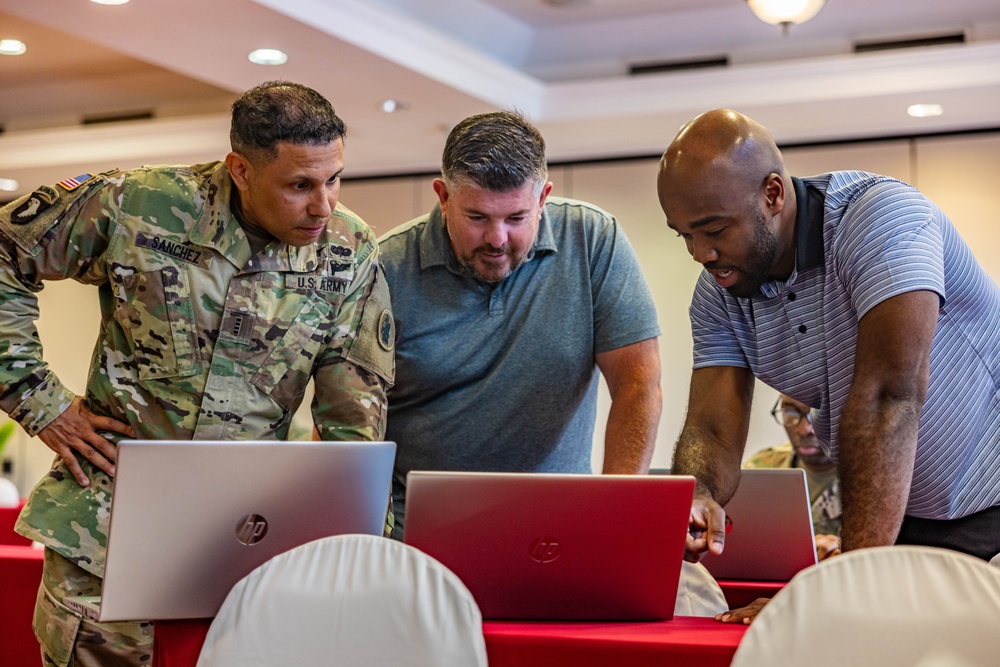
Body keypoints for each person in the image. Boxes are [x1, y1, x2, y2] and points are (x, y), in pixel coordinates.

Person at [0, 81, 394, 666]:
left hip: (247, 539)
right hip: (109, 529)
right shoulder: (138, 204)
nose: (324, 205)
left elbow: (353, 410)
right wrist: (38, 399)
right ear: (240, 169)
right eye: (299, 185)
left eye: (334, 178)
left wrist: (352, 551)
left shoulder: (347, 247)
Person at [656, 109, 1000, 620]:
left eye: (713, 229)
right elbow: (710, 427)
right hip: (905, 518)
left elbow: (889, 397)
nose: (699, 253)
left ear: (772, 194)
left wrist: (840, 594)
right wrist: (698, 495)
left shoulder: (881, 219)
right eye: (682, 234)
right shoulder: (720, 291)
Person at [379, 110, 663, 538]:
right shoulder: (387, 268)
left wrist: (615, 515)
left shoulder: (593, 240)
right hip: (417, 532)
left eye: (516, 218)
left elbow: (639, 384)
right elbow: (349, 422)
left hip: (557, 529)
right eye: (477, 218)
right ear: (442, 197)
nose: (496, 239)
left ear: (543, 197)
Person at [746, 394, 841, 561]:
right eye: (791, 413)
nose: (804, 430)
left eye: (820, 414)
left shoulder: (877, 476)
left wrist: (852, 548)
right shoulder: (761, 469)